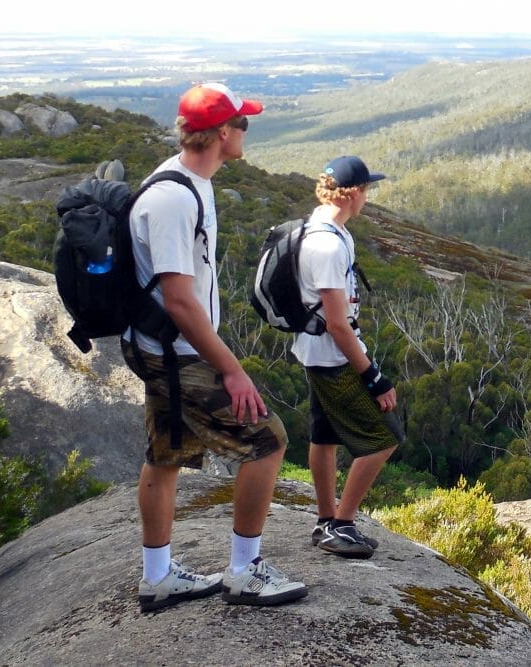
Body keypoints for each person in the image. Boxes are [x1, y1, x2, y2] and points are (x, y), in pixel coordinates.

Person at [125, 82, 305, 611]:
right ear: (223, 133)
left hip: (161, 345)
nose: (247, 130)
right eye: (242, 123)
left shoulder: (186, 178)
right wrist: (231, 369)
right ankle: (244, 571)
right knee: (267, 441)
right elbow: (179, 301)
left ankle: (158, 577)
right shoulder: (174, 199)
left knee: (165, 453)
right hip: (174, 351)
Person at [296, 155, 405, 559]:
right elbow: (338, 325)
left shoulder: (328, 229)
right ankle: (341, 524)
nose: (368, 198)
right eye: (367, 190)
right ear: (353, 193)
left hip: (319, 352)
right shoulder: (326, 244)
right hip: (331, 357)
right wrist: (374, 377)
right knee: (385, 437)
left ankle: (326, 520)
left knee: (324, 435)